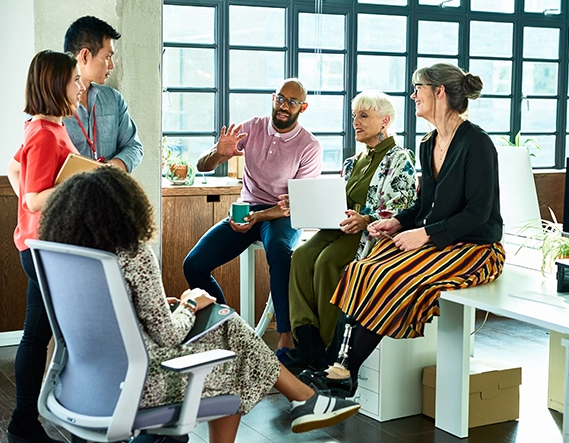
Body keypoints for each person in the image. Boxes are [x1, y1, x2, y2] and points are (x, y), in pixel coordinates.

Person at [38, 166, 360, 443]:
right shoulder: (135, 255)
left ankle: (304, 400)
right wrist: (189, 304)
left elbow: (105, 313)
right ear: (126, 209)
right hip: (141, 384)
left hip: (82, 382)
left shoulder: (67, 256)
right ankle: (305, 399)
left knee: (226, 323)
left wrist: (157, 305)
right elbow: (167, 335)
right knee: (233, 356)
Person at [300, 63, 506, 397]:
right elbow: (426, 206)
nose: (412, 95)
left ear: (439, 92)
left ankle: (342, 371)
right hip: (441, 242)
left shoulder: (477, 143)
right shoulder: (429, 144)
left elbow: (478, 213)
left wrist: (423, 234)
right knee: (360, 270)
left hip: (476, 249)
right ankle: (335, 367)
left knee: (388, 275)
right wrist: (399, 222)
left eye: (417, 87)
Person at [183, 78, 322, 359]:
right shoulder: (252, 127)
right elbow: (202, 166)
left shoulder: (309, 146)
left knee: (281, 253)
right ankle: (226, 329)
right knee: (194, 265)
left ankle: (286, 338)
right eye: (280, 99)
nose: (284, 106)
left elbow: (295, 205)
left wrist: (258, 217)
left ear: (303, 107)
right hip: (246, 209)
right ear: (273, 98)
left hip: (279, 215)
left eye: (292, 102)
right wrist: (219, 154)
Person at [282, 90, 417, 375]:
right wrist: (308, 205)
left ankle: (328, 347)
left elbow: (402, 207)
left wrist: (365, 217)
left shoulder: (399, 159)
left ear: (385, 121)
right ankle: (306, 339)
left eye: (364, 116)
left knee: (327, 262)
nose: (356, 121)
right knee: (301, 255)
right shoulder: (354, 161)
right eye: (355, 116)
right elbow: (338, 200)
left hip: (368, 232)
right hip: (340, 226)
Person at [6, 50, 85, 443]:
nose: (80, 85)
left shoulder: (45, 126)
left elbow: (14, 170)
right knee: (44, 337)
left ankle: (32, 423)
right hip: (43, 251)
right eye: (74, 79)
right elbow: (36, 197)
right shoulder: (42, 131)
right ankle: (29, 424)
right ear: (56, 84)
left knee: (42, 336)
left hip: (42, 247)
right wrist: (80, 182)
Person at [62, 15, 143, 172]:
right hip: (70, 195)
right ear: (85, 55)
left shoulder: (114, 99)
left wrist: (109, 169)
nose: (111, 65)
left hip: (109, 193)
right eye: (107, 57)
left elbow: (134, 146)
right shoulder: (49, 105)